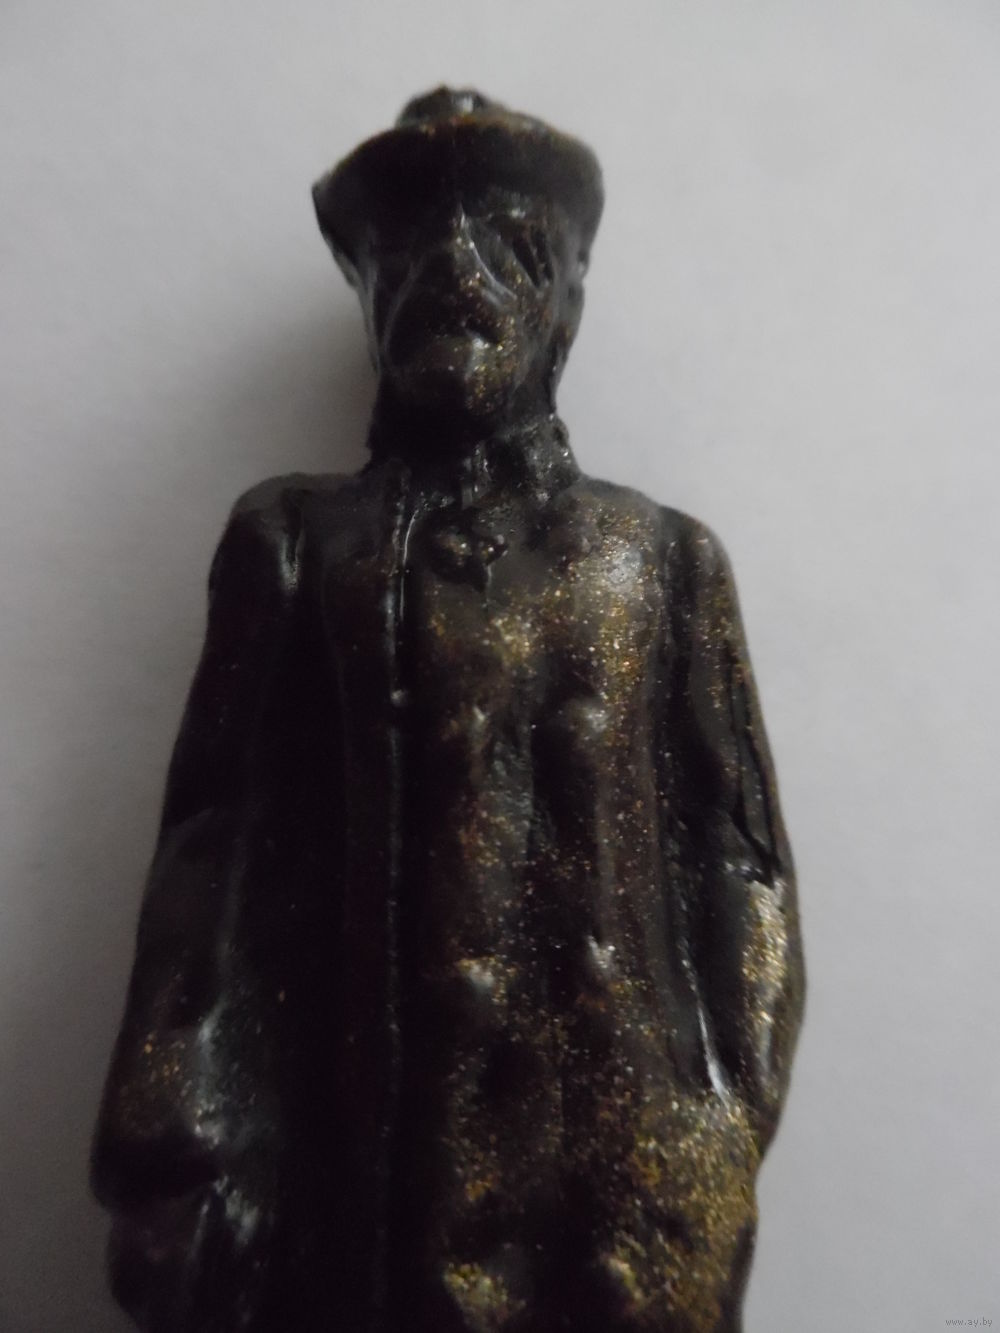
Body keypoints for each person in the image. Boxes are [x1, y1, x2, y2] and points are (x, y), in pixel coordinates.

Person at [92, 88, 804, 1333]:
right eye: (414, 248)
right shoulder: (296, 541)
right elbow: (211, 862)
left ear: (569, 294)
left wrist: (712, 1138)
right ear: (368, 290)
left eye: (512, 247)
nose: (458, 277)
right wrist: (179, 1143)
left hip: (617, 1221)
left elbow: (741, 870)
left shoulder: (659, 558)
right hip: (352, 1204)